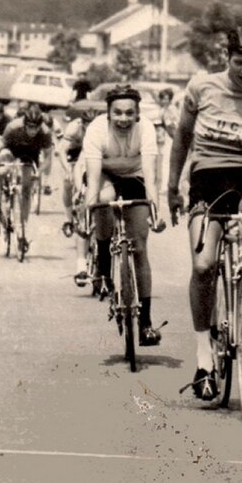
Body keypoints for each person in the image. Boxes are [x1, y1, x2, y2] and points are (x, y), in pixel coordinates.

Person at [167, 27, 242, 400]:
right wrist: (171, 188)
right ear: (227, 58)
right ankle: (204, 361)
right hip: (206, 182)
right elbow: (182, 140)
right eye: (239, 62)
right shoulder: (201, 87)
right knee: (204, 267)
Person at [84, 85, 164, 347]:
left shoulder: (147, 130)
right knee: (104, 202)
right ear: (108, 114)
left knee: (140, 246)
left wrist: (155, 211)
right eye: (117, 113)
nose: (123, 119)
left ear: (138, 114)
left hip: (135, 177)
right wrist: (89, 210)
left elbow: (151, 178)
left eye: (130, 113)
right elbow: (93, 180)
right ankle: (104, 259)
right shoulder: (96, 130)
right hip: (106, 176)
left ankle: (146, 323)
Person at [0, 104, 53, 251]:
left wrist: (39, 172)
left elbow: (49, 157)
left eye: (35, 127)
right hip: (11, 149)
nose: (32, 130)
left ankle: (22, 225)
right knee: (2, 169)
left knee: (26, 187)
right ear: (24, 124)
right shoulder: (13, 127)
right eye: (29, 127)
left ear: (40, 125)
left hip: (30, 155)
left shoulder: (45, 132)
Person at [57, 108, 97, 285]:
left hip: (92, 154)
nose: (89, 126)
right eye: (87, 124)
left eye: (92, 124)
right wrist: (68, 171)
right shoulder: (74, 128)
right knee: (68, 183)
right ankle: (68, 218)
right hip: (74, 152)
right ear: (83, 123)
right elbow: (61, 151)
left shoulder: (100, 130)